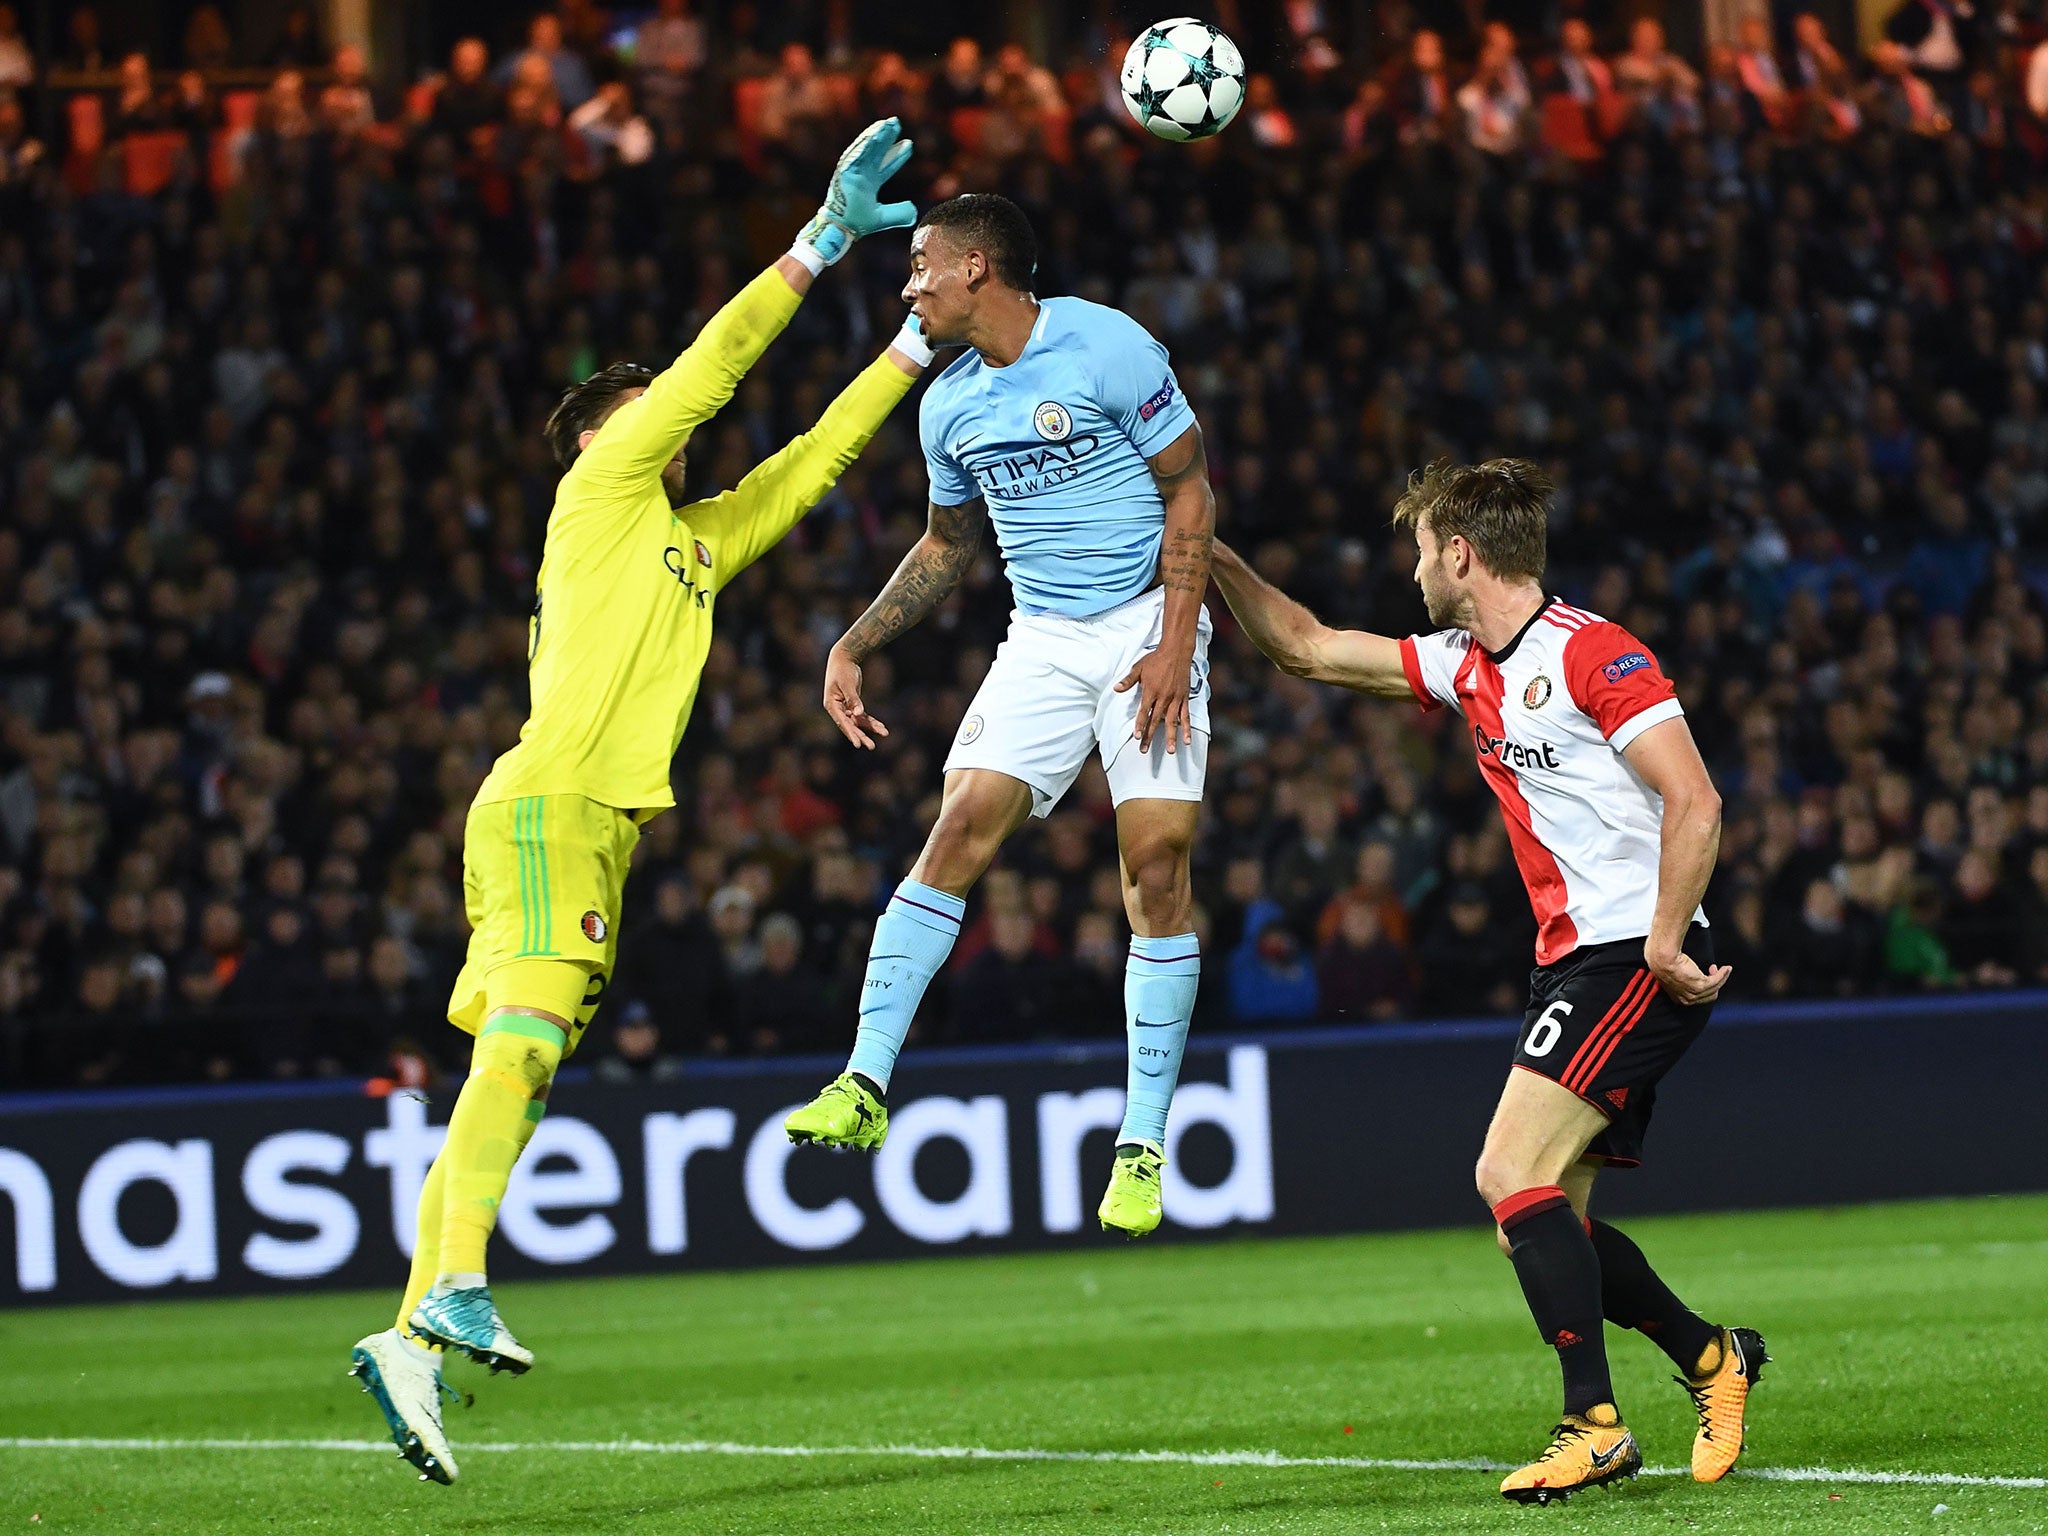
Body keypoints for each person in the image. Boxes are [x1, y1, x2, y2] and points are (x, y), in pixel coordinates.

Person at [346, 119, 928, 1487]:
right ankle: (455, 1285)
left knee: (513, 1068)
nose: (663, 413)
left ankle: (412, 1338)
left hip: (566, 818)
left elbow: (809, 464)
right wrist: (821, 242)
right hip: (558, 806)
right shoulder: (599, 483)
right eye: (642, 401)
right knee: (529, 1052)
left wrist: (914, 350)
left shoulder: (688, 543)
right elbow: (721, 369)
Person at [1208, 458, 1764, 1504]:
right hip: (1574, 962)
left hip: (1627, 957)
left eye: (1420, 549)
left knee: (1507, 1173)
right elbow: (1307, 649)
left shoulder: (1594, 654)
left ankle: (1591, 1425)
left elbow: (1695, 800)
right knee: (1558, 1214)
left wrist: (1654, 941)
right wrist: (1208, 556)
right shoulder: (1466, 662)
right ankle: (1708, 1356)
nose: (1413, 568)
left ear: (1458, 554)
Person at [783, 192, 1218, 1242]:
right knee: (956, 829)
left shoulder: (1104, 344)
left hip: (1143, 622)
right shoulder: (947, 403)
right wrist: (852, 642)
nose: (908, 284)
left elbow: (1189, 491)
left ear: (976, 266)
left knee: (1154, 864)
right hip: (1043, 639)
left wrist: (1171, 640)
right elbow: (944, 546)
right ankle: (862, 1083)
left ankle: (1141, 1142)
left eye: (922, 263)